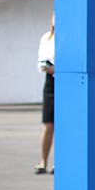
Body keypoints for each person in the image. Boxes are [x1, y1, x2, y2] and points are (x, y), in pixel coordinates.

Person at [36, 15, 55, 174]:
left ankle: (59, 162)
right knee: (48, 124)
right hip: (51, 81)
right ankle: (43, 161)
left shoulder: (70, 36)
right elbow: (41, 62)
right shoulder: (46, 38)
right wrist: (49, 67)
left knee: (63, 125)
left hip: (67, 81)